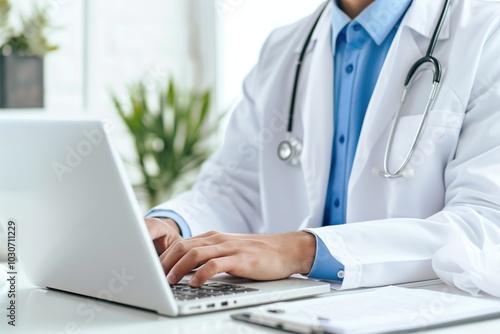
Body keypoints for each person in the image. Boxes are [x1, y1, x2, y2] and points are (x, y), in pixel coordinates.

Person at [145, 0, 500, 290]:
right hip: (290, 312)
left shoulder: (486, 31)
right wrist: (174, 226)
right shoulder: (283, 47)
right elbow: (235, 190)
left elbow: (484, 226)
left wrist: (304, 250)